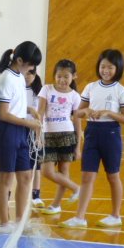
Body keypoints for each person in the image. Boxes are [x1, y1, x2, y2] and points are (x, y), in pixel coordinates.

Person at [60, 49, 124, 228]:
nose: (105, 70)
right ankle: (79, 217)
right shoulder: (90, 87)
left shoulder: (120, 91)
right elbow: (78, 112)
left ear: (118, 68)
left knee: (113, 176)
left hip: (111, 135)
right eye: (102, 66)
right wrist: (87, 112)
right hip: (92, 133)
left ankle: (115, 215)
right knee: (86, 176)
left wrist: (109, 113)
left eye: (110, 67)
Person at [0, 41, 42, 233]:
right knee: (6, 177)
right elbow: (4, 114)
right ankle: (4, 223)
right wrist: (29, 123)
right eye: (30, 65)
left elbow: (15, 103)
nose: (31, 70)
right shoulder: (7, 79)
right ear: (19, 60)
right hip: (7, 131)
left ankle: (21, 220)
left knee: (26, 175)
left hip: (20, 130)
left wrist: (30, 110)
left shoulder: (19, 77)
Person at [38, 59, 82, 215]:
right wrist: (38, 134)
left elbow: (77, 122)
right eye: (59, 76)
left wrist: (78, 147)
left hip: (67, 136)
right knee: (47, 172)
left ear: (73, 76)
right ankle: (77, 188)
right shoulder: (46, 89)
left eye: (66, 76)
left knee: (64, 172)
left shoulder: (75, 96)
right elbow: (40, 113)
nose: (62, 80)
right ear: (54, 75)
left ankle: (56, 205)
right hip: (48, 135)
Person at [25, 68, 43, 208]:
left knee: (36, 165)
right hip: (20, 127)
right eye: (25, 73)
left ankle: (36, 195)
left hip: (34, 129)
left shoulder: (39, 92)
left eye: (30, 73)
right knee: (20, 166)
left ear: (35, 75)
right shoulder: (17, 88)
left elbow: (41, 115)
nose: (27, 76)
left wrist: (38, 136)